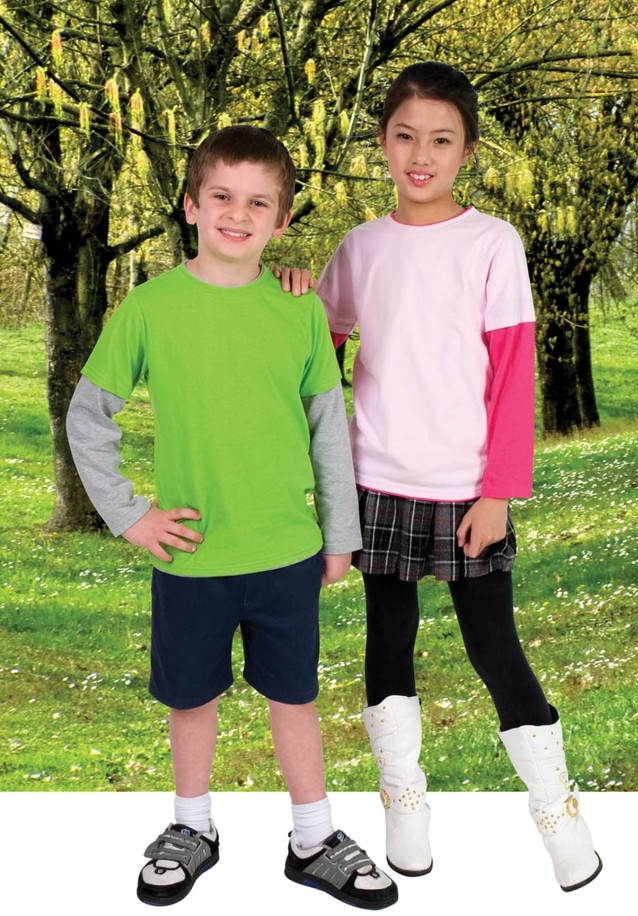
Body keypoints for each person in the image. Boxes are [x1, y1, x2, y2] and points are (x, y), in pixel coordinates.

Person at [66, 125, 398, 911]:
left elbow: (328, 430)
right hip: (192, 555)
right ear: (190, 204)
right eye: (221, 196)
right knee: (192, 700)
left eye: (258, 203)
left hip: (286, 552)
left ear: (282, 220)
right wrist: (130, 516)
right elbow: (88, 418)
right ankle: (192, 828)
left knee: (295, 698)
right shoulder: (150, 308)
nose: (237, 215)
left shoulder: (299, 308)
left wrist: (341, 536)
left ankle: (313, 839)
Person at [315, 62, 602, 892]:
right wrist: (294, 295)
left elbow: (513, 375)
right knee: (387, 641)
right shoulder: (359, 248)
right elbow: (315, 351)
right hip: (377, 482)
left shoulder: (492, 243)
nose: (421, 155)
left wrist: (499, 492)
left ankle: (558, 816)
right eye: (405, 136)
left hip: (468, 490)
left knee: (493, 648)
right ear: (382, 141)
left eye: (441, 140)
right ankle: (403, 807)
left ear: (467, 151)